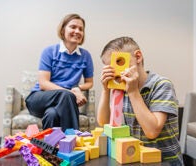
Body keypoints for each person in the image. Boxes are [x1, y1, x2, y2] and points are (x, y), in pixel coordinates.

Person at [97, 36, 183, 164]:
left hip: (165, 161)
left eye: (119, 62)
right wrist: (106, 90)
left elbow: (152, 131)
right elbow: (104, 122)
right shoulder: (121, 88)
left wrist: (132, 91)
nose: (115, 72)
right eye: (109, 68)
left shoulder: (162, 85)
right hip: (136, 159)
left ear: (138, 57)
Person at [25, 13, 94, 132]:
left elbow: (89, 83)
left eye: (81, 29)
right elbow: (43, 83)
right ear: (63, 30)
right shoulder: (49, 51)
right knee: (67, 95)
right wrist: (71, 93)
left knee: (52, 114)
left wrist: (77, 88)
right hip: (39, 98)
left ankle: (50, 148)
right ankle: (72, 141)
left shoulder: (85, 56)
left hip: (63, 102)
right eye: (73, 27)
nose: (77, 31)